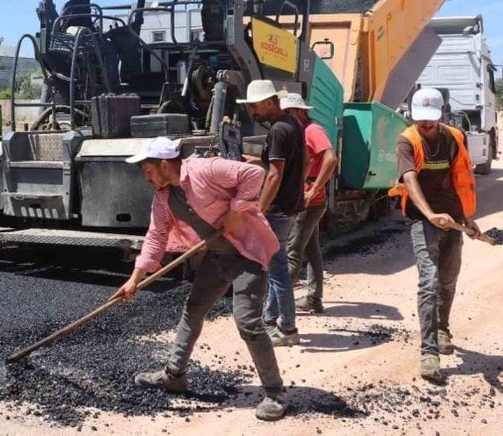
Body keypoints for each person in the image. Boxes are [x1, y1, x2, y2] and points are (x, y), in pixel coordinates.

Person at [113, 137, 290, 421]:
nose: (145, 178)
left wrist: (236, 210)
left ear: (163, 165)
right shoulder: (163, 196)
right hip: (218, 257)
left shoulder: (204, 169)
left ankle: (275, 393)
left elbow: (255, 173)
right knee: (193, 310)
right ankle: (174, 375)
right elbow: (156, 235)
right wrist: (134, 279)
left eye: (147, 171)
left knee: (248, 323)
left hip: (247, 254)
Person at [390, 87, 480, 383]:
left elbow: (461, 178)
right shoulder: (407, 140)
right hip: (423, 219)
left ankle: (442, 328)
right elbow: (409, 180)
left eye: (430, 119)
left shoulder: (455, 137)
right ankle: (429, 351)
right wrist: (429, 214)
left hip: (453, 218)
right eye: (420, 120)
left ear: (442, 114)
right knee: (428, 282)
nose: (425, 125)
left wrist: (467, 217)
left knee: (448, 279)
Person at [236, 79, 305, 345]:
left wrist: (259, 210)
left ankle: (288, 330)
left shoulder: (278, 130)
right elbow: (292, 163)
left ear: (268, 102)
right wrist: (258, 161)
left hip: (276, 210)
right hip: (289, 205)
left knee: (277, 270)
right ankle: (271, 316)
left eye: (255, 105)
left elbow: (275, 175)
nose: (253, 111)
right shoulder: (294, 124)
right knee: (278, 264)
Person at [280, 93, 338, 314]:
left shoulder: (312, 131)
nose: (285, 116)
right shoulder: (298, 131)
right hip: (305, 198)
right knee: (312, 250)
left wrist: (313, 189)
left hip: (309, 201)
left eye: (289, 112)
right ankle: (314, 299)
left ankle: (277, 309)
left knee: (292, 252)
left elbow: (331, 158)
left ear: (301, 111)